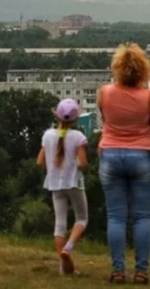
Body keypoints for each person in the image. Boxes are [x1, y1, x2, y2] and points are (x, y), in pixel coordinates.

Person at [97, 43, 150, 285]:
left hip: (111, 155)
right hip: (141, 156)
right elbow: (149, 118)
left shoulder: (105, 93)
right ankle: (141, 271)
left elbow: (104, 116)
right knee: (142, 217)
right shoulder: (149, 97)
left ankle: (118, 270)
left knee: (116, 218)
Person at [37, 98, 89, 275]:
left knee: (60, 224)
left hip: (55, 184)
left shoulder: (47, 135)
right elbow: (82, 164)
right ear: (75, 119)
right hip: (74, 182)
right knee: (82, 218)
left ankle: (63, 266)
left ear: (56, 116)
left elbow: (39, 162)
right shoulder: (78, 137)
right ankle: (69, 246)